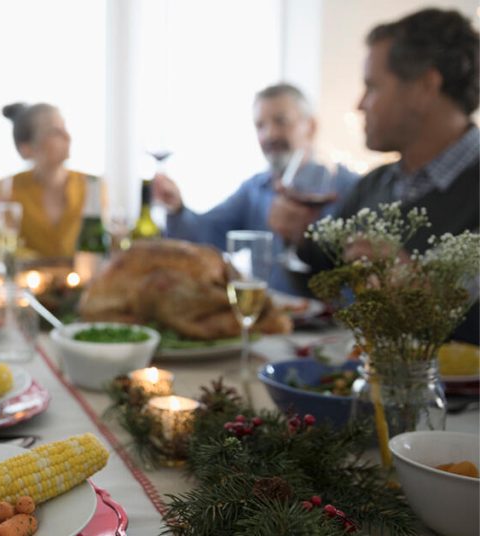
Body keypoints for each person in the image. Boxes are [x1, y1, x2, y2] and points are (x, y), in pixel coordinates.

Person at [290, 7, 479, 344]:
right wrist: (300, 234)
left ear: (425, 87)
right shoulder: (376, 184)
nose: (361, 104)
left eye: (372, 86)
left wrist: (415, 284)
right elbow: (326, 273)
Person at [152, 83, 359, 296]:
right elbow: (207, 236)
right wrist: (176, 208)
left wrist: (306, 241)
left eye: (281, 121)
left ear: (311, 126)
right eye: (260, 125)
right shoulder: (255, 189)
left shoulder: (352, 188)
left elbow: (365, 271)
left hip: (333, 325)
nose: (269, 134)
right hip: (275, 320)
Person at [0, 102, 99, 259]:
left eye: (65, 128)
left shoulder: (92, 185)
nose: (67, 137)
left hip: (80, 280)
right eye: (55, 132)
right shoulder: (6, 189)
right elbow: (0, 249)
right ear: (26, 148)